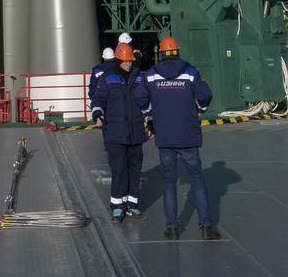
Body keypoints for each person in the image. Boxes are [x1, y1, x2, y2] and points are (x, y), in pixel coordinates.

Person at [134, 35, 219, 241]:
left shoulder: (152, 75)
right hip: (188, 135)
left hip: (164, 135)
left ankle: (172, 228)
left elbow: (139, 97)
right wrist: (200, 109)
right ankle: (207, 226)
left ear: (161, 53)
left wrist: (149, 116)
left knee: (169, 181)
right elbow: (205, 95)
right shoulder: (190, 73)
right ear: (177, 52)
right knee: (197, 179)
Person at [92, 42, 145, 221]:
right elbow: (98, 100)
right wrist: (97, 114)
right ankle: (117, 206)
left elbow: (147, 101)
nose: (129, 64)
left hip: (135, 132)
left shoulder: (139, 78)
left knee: (135, 170)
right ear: (118, 60)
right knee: (118, 169)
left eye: (130, 61)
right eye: (125, 61)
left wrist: (152, 122)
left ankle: (133, 204)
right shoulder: (107, 78)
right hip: (116, 133)